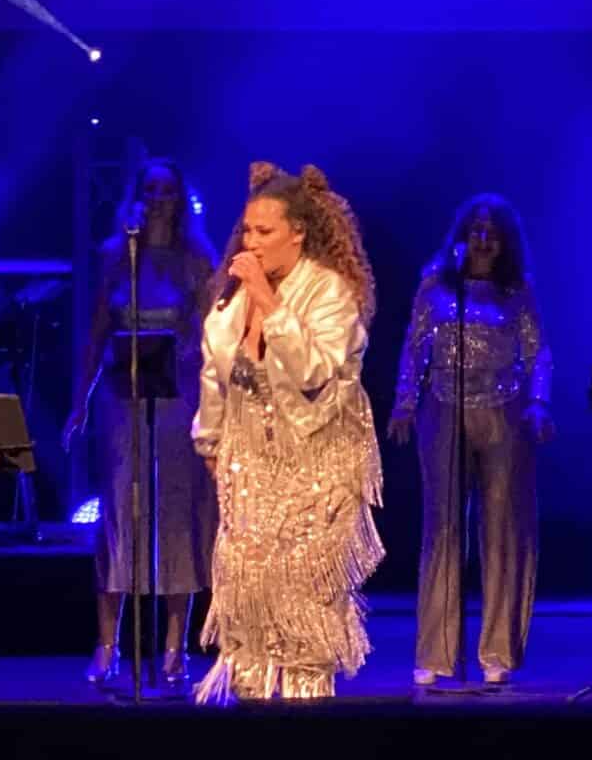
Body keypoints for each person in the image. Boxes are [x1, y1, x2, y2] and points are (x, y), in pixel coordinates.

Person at [191, 163, 384, 703]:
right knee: (247, 596)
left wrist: (268, 301)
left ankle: (306, 711)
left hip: (317, 462)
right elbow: (215, 372)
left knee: (301, 601)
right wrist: (210, 440)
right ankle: (252, 709)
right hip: (250, 461)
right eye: (247, 230)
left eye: (264, 231)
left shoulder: (330, 292)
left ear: (297, 232)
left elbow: (312, 371)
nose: (250, 242)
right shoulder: (232, 299)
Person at [63, 157, 219, 689]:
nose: (157, 199)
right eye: (149, 190)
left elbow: (214, 334)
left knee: (176, 512)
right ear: (136, 196)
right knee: (120, 512)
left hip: (176, 397)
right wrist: (80, 401)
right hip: (122, 397)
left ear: (179, 198)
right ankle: (107, 645)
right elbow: (96, 332)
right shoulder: (116, 255)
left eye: (166, 190)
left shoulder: (197, 258)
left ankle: (175, 647)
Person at [389, 195, 552, 688]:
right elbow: (414, 346)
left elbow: (538, 351)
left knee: (502, 529)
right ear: (462, 235)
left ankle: (497, 651)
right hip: (443, 408)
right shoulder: (435, 285)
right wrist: (404, 402)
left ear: (505, 241)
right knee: (443, 528)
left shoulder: (517, 290)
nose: (482, 239)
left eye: (492, 233)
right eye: (475, 230)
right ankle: (436, 653)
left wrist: (539, 402)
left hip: (504, 411)